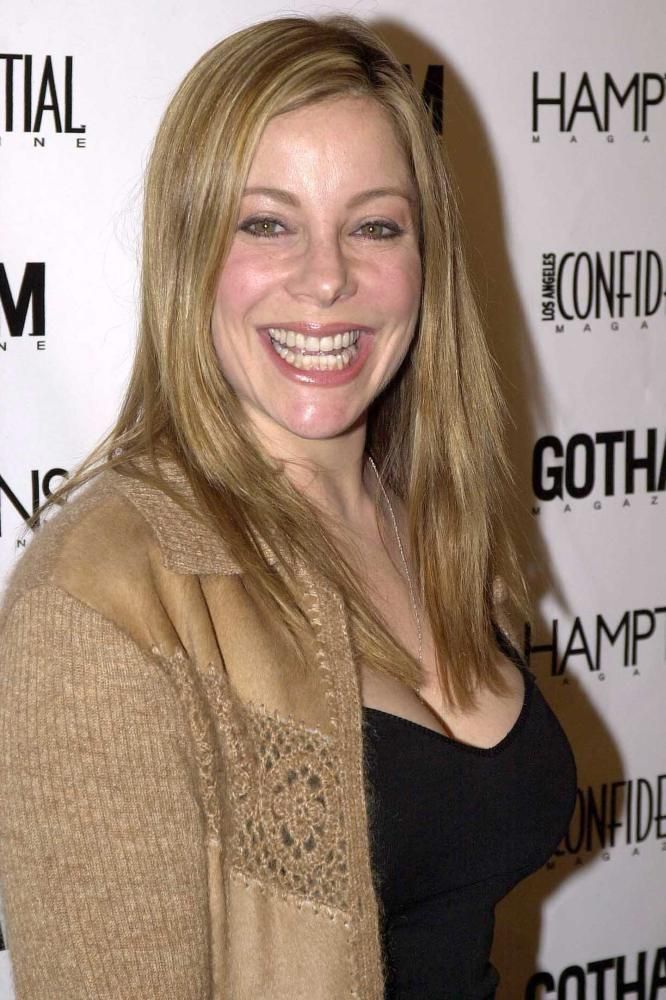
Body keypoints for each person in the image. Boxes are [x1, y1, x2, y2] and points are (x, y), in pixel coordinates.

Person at [0, 14, 577, 999]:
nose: (327, 277)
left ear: (425, 257)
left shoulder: (432, 524)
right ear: (189, 251)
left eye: (375, 225)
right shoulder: (101, 603)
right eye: (267, 223)